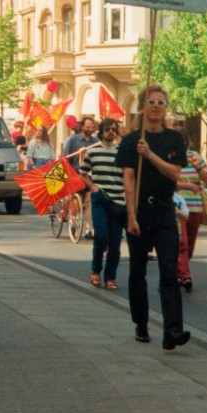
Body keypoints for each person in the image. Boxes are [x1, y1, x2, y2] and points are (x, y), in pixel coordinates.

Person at [116, 85, 190, 351]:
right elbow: (128, 180)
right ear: (142, 106)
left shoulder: (173, 139)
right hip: (139, 213)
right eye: (151, 101)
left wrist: (150, 155)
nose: (157, 105)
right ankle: (141, 323)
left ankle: (173, 330)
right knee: (138, 271)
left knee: (169, 270)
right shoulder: (130, 141)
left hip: (163, 211)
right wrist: (131, 216)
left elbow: (174, 174)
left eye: (161, 102)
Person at [81, 118, 124, 290]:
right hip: (100, 198)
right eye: (107, 129)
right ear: (101, 132)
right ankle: (95, 270)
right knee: (101, 236)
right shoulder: (93, 152)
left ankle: (110, 277)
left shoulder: (122, 152)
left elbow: (129, 175)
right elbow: (83, 173)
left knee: (115, 242)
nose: (110, 132)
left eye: (113, 129)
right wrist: (93, 187)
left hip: (118, 199)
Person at [175, 134, 207, 291]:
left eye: (183, 141)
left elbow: (206, 179)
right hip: (177, 206)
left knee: (190, 243)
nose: (181, 144)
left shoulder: (195, 156)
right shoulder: (170, 157)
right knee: (182, 242)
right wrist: (188, 186)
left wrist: (198, 167)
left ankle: (177, 272)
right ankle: (185, 275)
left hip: (195, 206)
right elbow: (169, 181)